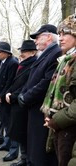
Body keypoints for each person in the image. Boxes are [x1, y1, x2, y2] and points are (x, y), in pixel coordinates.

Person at [18, 24, 62, 166]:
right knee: (34, 147)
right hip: (34, 108)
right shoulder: (45, 54)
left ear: (48, 36)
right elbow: (32, 79)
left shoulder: (56, 53)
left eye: (37, 38)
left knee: (40, 152)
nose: (35, 41)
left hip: (40, 110)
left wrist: (26, 97)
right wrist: (23, 93)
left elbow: (45, 83)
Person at [41, 14, 76, 166]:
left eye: (66, 33)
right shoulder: (65, 59)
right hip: (61, 125)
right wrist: (51, 116)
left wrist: (57, 120)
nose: (60, 38)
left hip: (70, 127)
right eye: (59, 34)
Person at [6, 40, 37, 166]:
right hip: (15, 102)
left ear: (33, 52)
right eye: (21, 51)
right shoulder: (23, 64)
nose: (21, 53)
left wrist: (13, 95)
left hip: (22, 103)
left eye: (24, 51)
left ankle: (26, 159)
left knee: (23, 134)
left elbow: (27, 85)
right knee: (19, 134)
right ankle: (24, 158)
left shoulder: (32, 65)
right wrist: (8, 92)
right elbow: (14, 82)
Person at [0, 42, 19, 162]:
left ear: (7, 53)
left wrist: (2, 95)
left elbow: (10, 82)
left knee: (11, 124)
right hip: (2, 96)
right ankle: (6, 144)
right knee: (6, 122)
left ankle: (13, 150)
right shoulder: (3, 62)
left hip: (8, 98)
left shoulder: (13, 63)